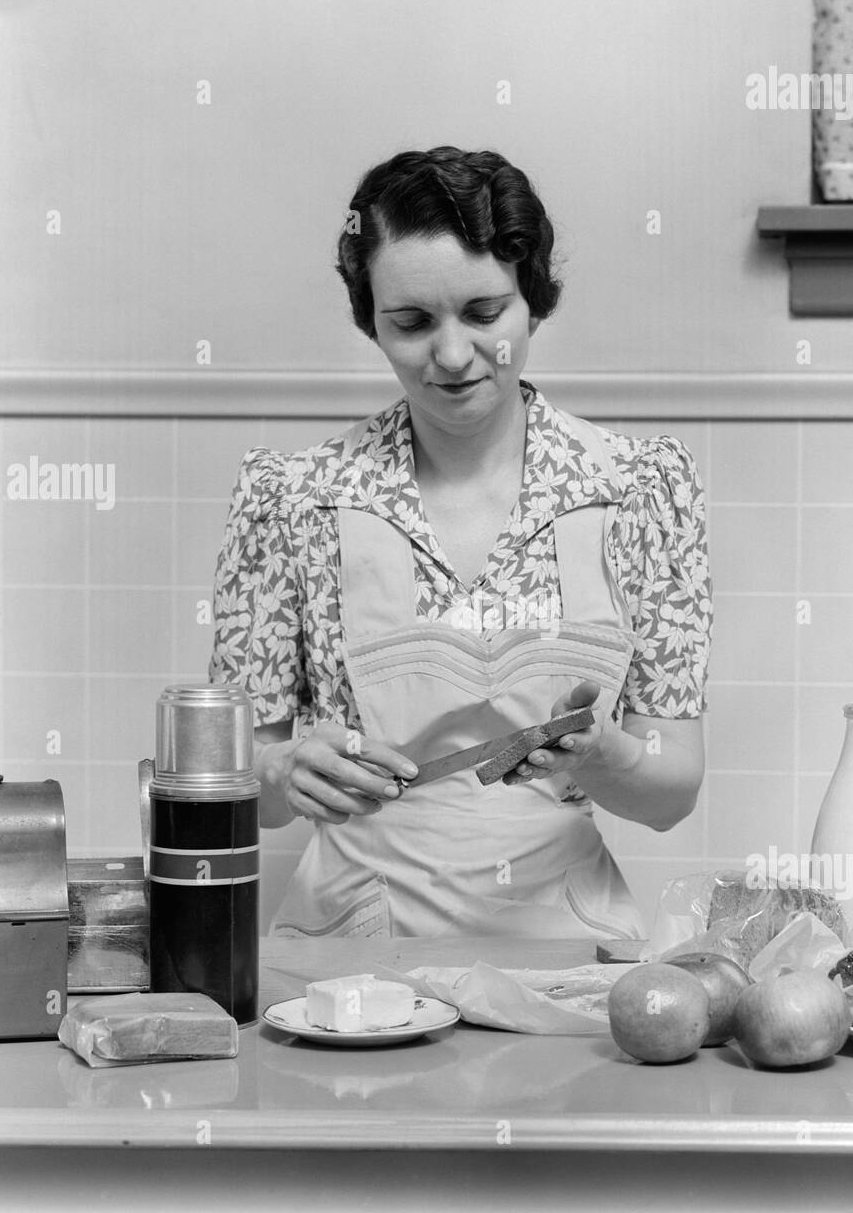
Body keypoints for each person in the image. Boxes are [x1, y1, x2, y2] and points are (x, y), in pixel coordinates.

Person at [209, 145, 711, 938]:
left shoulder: (640, 489)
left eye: (484, 314)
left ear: (534, 302)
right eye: (410, 322)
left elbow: (672, 794)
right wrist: (276, 769)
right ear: (370, 324)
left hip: (570, 952)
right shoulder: (293, 499)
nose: (450, 355)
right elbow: (236, 790)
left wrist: (605, 755)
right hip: (350, 969)